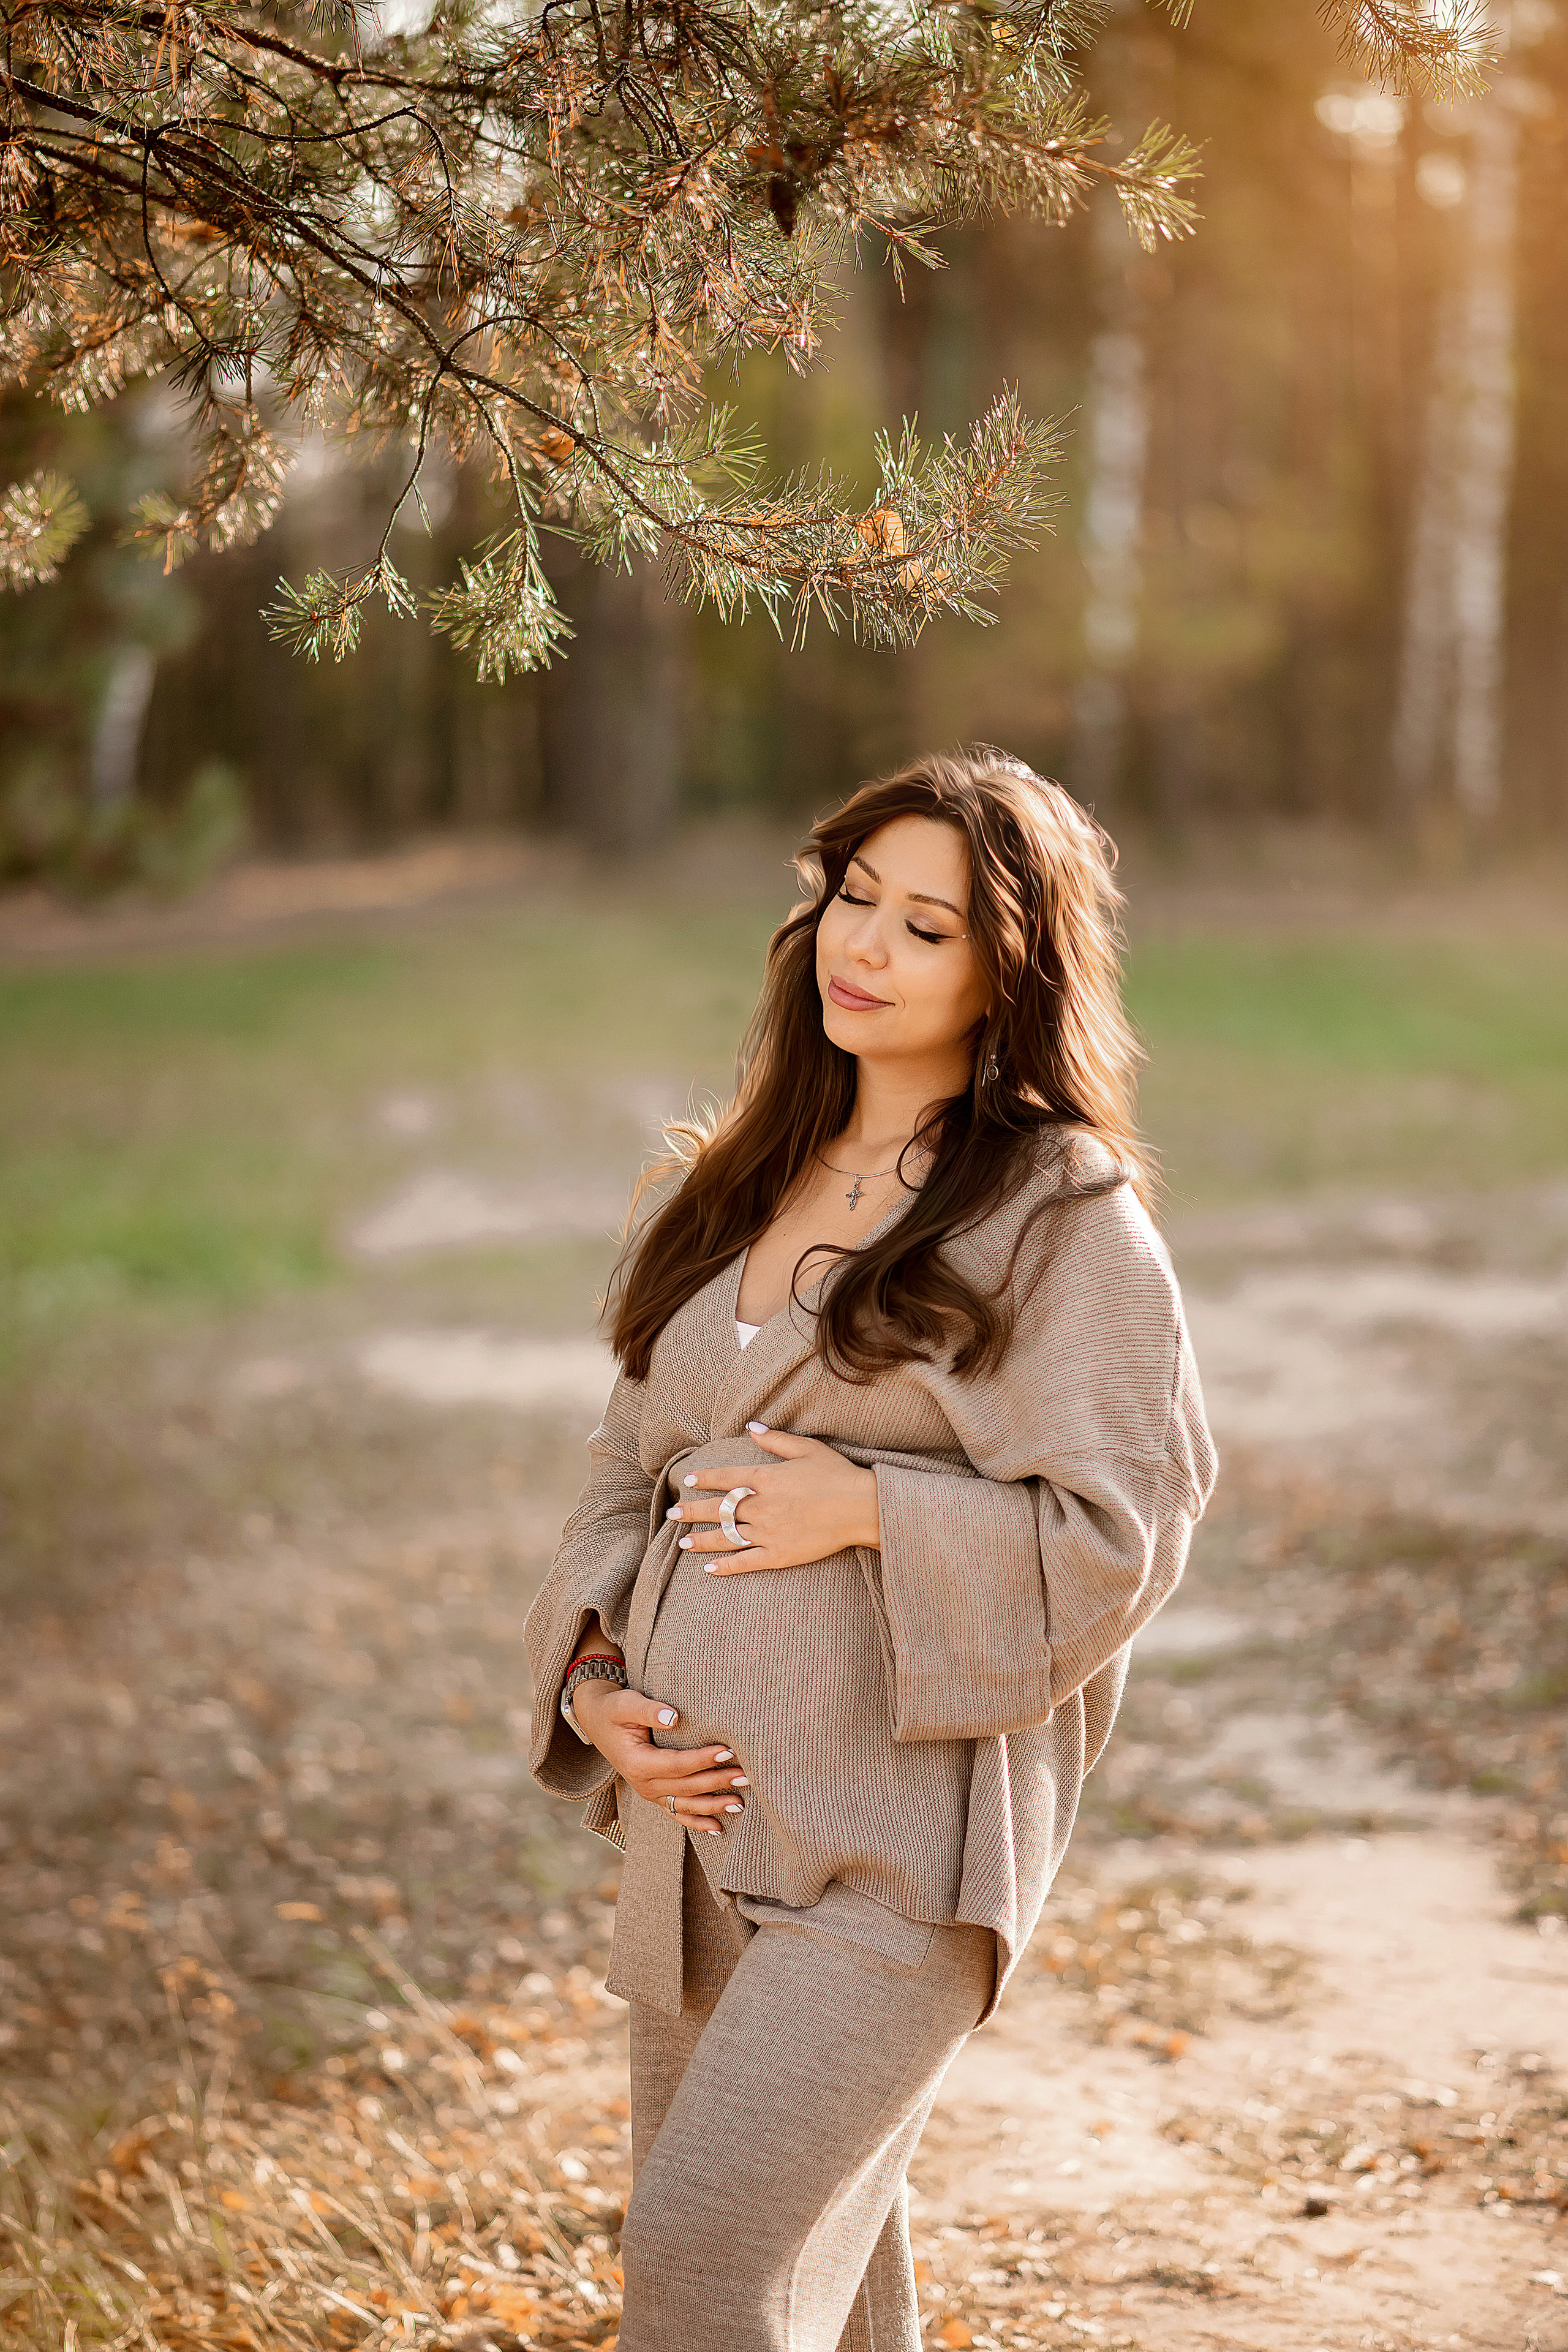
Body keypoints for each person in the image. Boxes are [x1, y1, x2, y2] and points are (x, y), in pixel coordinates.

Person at [524, 746, 1216, 2352]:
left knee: (702, 2269)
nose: (868, 947)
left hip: (897, 1856)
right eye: (856, 900)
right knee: (827, 2301)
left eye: (929, 927)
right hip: (695, 1844)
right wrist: (593, 1686)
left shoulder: (1058, 1212)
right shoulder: (719, 1186)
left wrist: (872, 1506)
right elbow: (625, 1473)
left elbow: (1126, 1526)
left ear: (1006, 975)